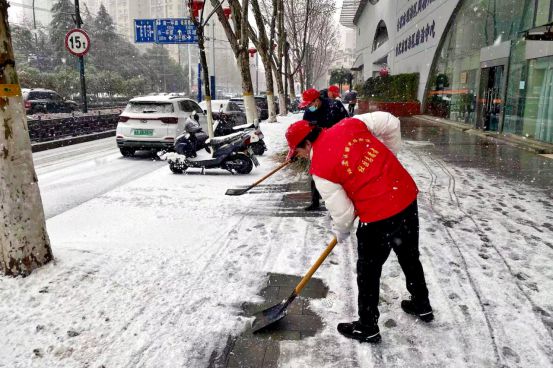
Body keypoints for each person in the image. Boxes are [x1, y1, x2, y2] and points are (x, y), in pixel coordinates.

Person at [285, 112, 433, 344]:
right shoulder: (350, 124)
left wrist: (341, 231)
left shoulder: (320, 169)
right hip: (403, 194)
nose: (301, 157)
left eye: (299, 152)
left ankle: (367, 327)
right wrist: (389, 158)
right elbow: (392, 122)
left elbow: (343, 214)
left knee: (369, 272)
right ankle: (422, 304)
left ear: (306, 142)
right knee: (409, 254)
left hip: (377, 215)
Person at [299, 88, 349, 211]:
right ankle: (315, 202)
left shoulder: (335, 106)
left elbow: (347, 122)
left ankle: (343, 203)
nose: (309, 107)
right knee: (315, 172)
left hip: (338, 144)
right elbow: (305, 130)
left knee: (340, 173)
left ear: (317, 100)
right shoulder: (309, 112)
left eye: (310, 104)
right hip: (319, 145)